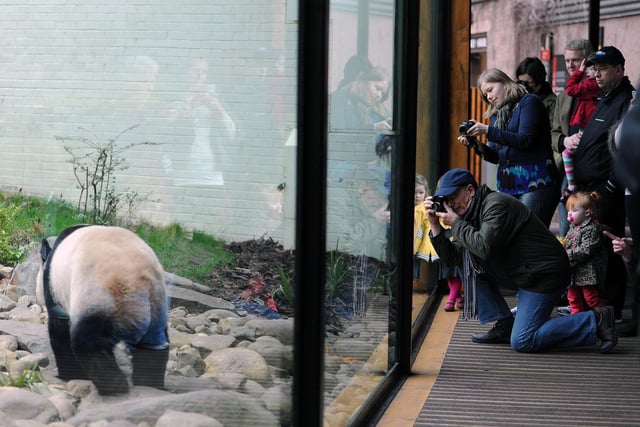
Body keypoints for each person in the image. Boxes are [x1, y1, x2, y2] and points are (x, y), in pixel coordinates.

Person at [425, 168, 617, 353]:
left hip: (544, 275)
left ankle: (597, 320)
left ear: (470, 190)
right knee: (468, 262)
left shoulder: (495, 204)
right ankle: (505, 323)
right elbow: (453, 260)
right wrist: (435, 225)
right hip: (523, 272)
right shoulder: (469, 214)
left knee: (524, 340)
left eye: (452, 196)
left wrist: (457, 224)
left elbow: (484, 248)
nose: (450, 203)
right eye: (445, 199)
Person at [563, 46, 634, 323]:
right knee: (591, 248)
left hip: (605, 191)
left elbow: (626, 147)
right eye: (594, 69)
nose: (596, 74)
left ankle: (611, 310)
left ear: (619, 70)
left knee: (608, 247)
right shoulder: (605, 98)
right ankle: (592, 309)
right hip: (587, 188)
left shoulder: (626, 101)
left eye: (602, 69)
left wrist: (613, 185)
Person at [460, 68, 560, 227]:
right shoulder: (497, 115)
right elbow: (495, 156)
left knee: (529, 236)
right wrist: (475, 143)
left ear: (505, 82)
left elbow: (525, 140)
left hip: (536, 182)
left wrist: (487, 130)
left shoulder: (529, 102)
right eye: (486, 96)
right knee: (512, 239)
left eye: (490, 90)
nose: (489, 97)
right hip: (509, 186)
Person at [552, 39, 594, 238]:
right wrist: (564, 141)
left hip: (595, 167)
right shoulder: (563, 96)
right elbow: (553, 134)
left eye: (575, 60)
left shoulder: (597, 88)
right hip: (569, 172)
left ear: (586, 61)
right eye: (567, 60)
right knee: (566, 231)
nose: (570, 65)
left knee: (595, 228)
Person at [559, 56, 601, 202]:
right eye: (588, 68)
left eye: (593, 69)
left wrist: (579, 72)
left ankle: (571, 185)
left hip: (586, 128)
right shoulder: (596, 86)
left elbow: (570, 89)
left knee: (567, 154)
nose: (589, 72)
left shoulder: (589, 85)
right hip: (588, 127)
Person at [563, 191, 608, 314]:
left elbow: (586, 249)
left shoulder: (592, 229)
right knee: (573, 298)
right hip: (574, 272)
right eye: (568, 211)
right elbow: (567, 241)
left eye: (573, 211)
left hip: (587, 273)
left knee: (591, 298)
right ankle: (577, 321)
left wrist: (567, 254)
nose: (569, 214)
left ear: (587, 212)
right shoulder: (573, 226)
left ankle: (604, 318)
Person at [330, 66, 391, 133]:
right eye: (377, 88)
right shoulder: (339, 99)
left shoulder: (376, 113)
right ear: (364, 81)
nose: (379, 95)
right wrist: (372, 128)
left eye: (382, 94)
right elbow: (337, 134)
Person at [515, 56, 557, 125]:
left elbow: (552, 129)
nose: (524, 86)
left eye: (529, 83)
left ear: (539, 80)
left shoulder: (552, 103)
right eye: (521, 82)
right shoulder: (518, 99)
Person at [413, 174, 437, 292]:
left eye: (420, 193)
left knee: (413, 272)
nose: (417, 196)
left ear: (425, 193)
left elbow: (421, 231)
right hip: (413, 245)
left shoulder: (424, 209)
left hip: (418, 246)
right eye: (414, 192)